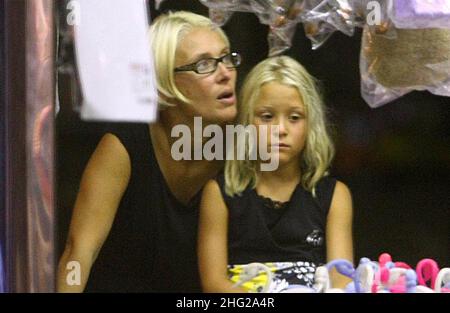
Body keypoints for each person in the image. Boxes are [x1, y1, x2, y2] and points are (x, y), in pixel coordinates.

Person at [57, 11, 240, 292]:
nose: (225, 73)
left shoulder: (242, 149)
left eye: (226, 58)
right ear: (165, 87)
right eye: (204, 64)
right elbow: (78, 252)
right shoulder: (124, 147)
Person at [198, 56, 353, 293]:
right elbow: (214, 284)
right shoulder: (219, 194)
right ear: (247, 121)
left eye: (294, 117)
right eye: (267, 117)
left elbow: (341, 281)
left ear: (311, 124)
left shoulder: (334, 196)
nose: (280, 130)